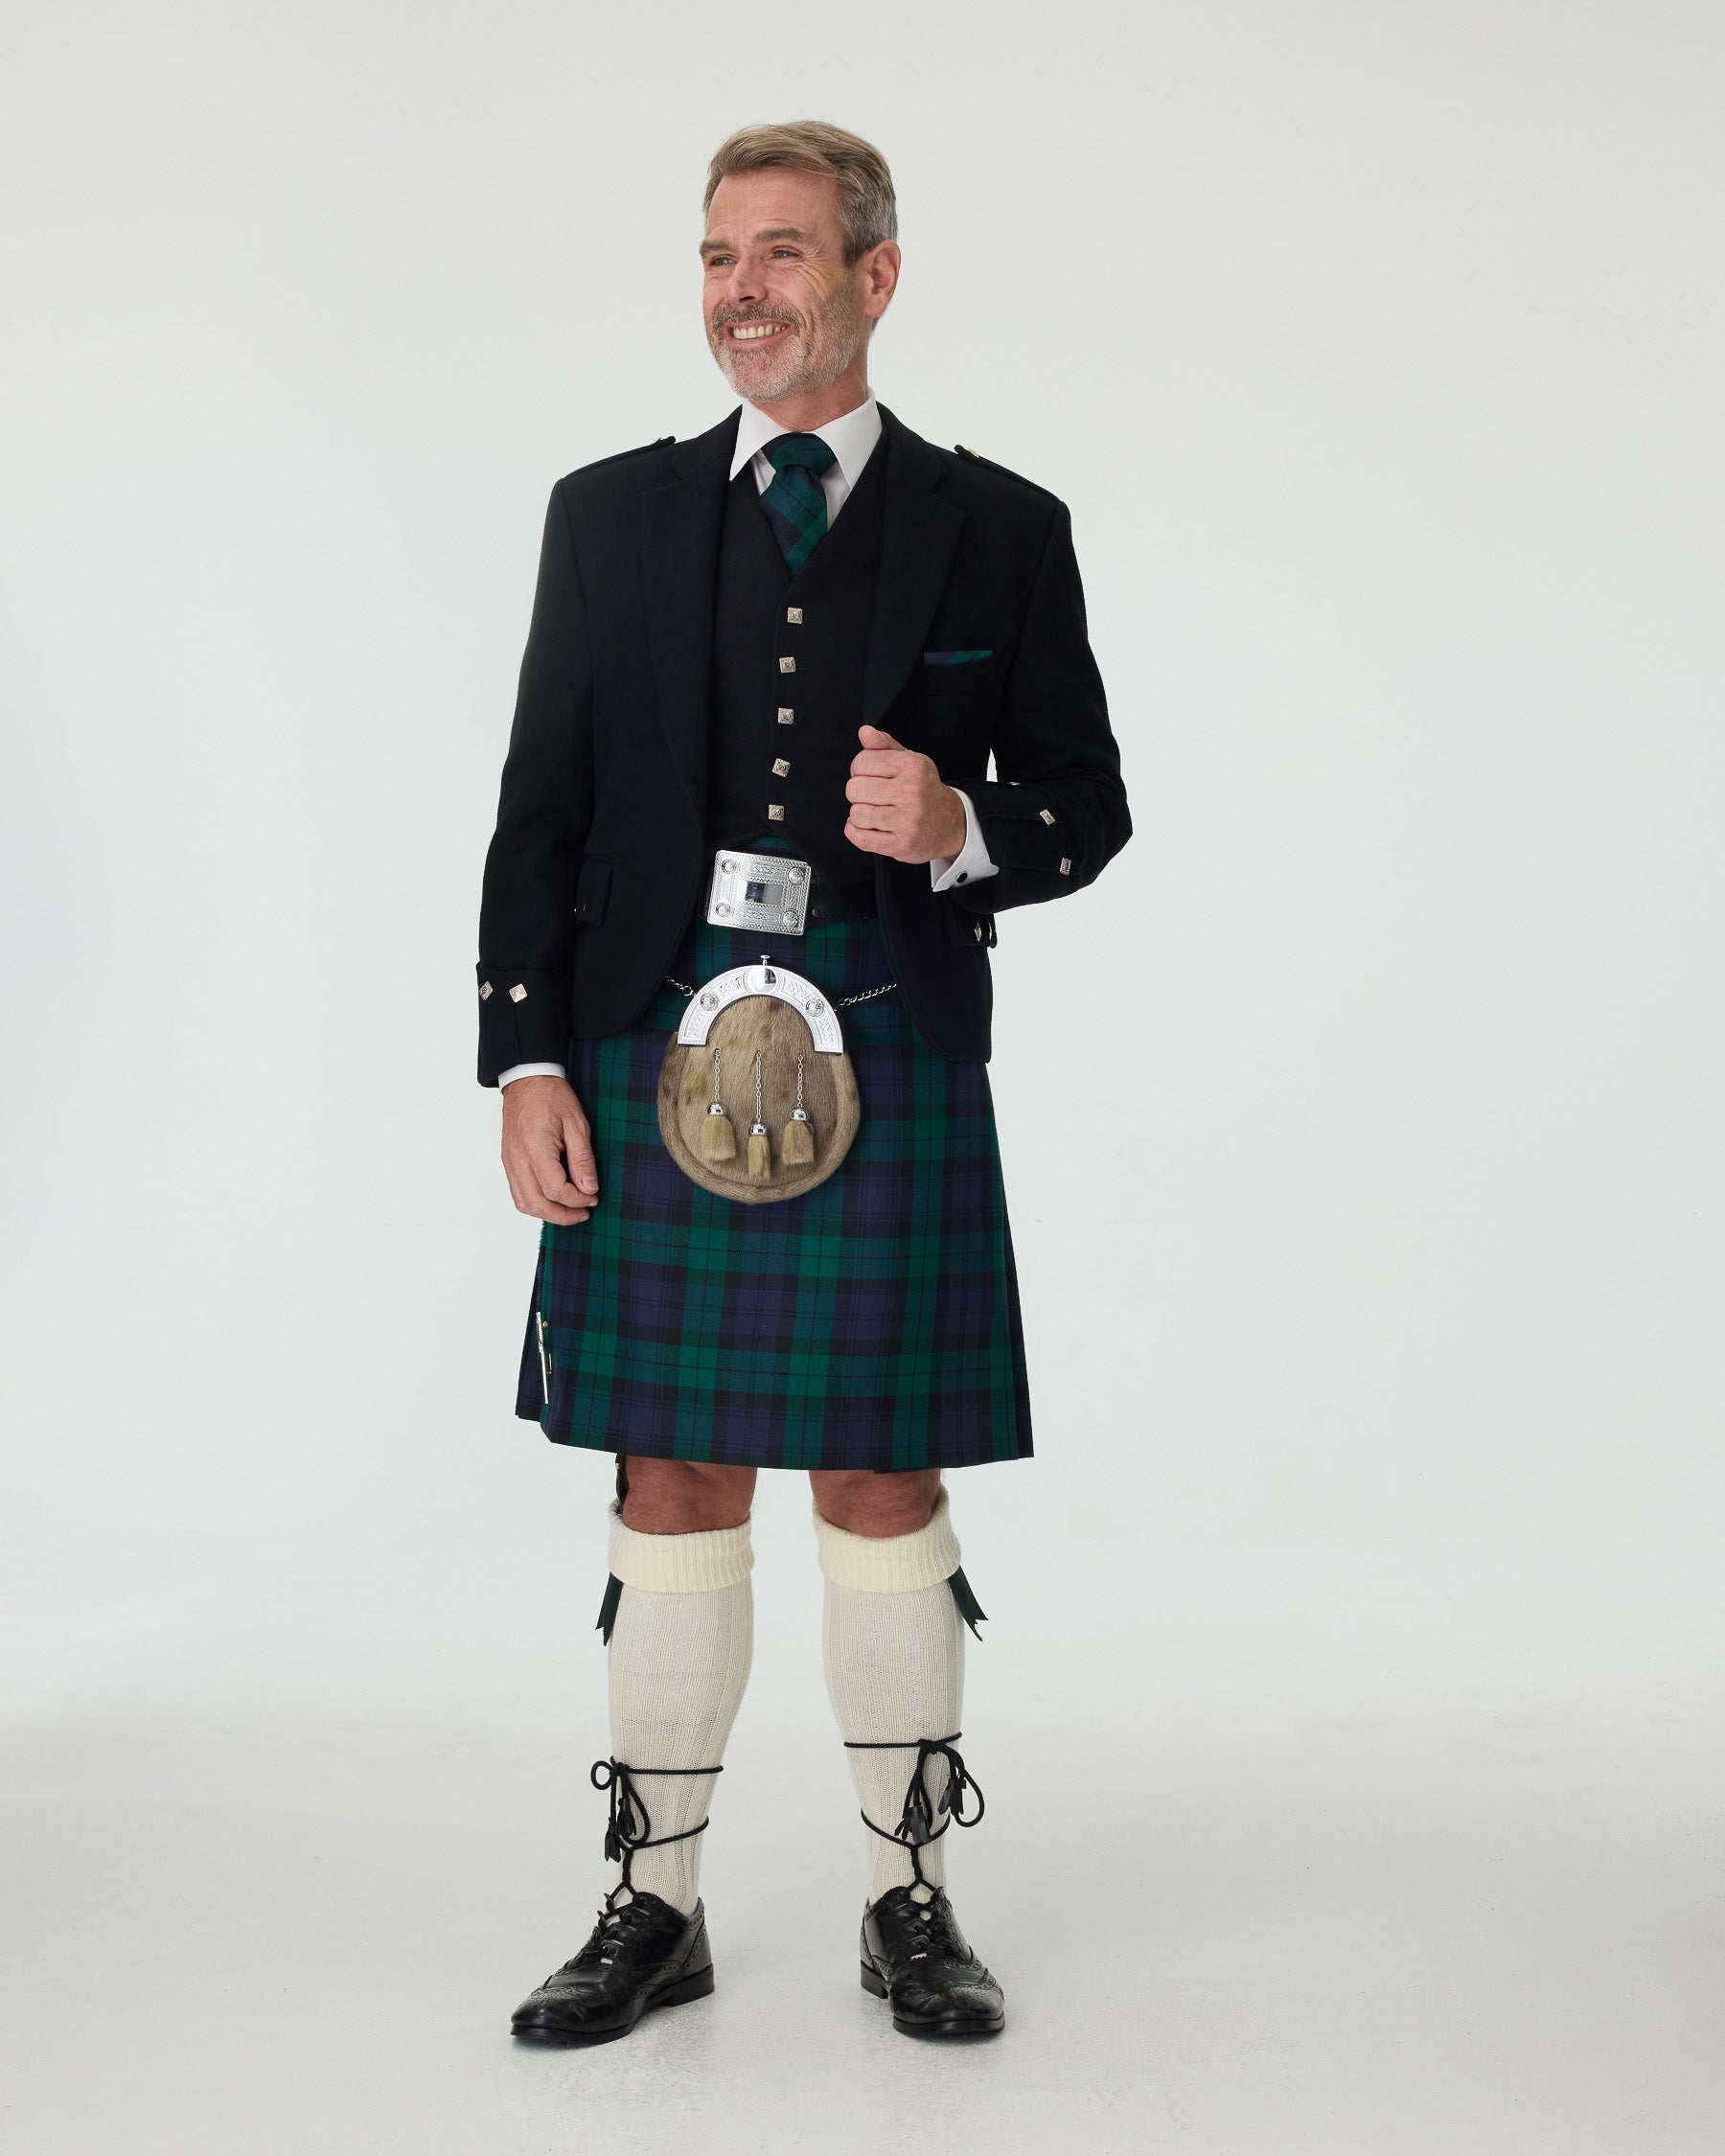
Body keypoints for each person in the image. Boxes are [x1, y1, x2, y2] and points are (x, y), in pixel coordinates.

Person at [476, 120, 1130, 2045]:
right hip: (647, 1023)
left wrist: (959, 825)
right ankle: (655, 1903)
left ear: (874, 275)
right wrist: (526, 1051)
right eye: (715, 256)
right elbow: (539, 807)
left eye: (776, 252)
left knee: (877, 1464)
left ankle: (909, 1898)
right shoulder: (606, 515)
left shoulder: (998, 525)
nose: (739, 291)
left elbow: (1088, 803)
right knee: (668, 1465)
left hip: (883, 1020)